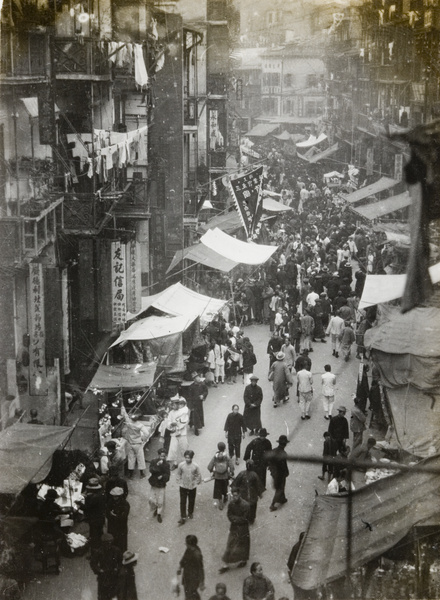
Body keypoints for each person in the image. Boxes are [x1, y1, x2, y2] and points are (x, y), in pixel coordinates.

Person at [219, 488, 250, 574]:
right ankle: (226, 564)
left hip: (243, 528)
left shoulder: (246, 505)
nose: (234, 497)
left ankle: (244, 560)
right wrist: (235, 519)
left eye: (236, 495)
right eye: (233, 495)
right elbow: (229, 514)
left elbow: (245, 518)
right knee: (230, 543)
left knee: (243, 544)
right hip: (234, 527)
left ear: (240, 495)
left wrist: (234, 519)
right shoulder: (231, 504)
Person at [90, 533, 122, 600]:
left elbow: (121, 562)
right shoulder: (99, 551)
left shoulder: (116, 550)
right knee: (102, 597)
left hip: (114, 576)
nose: (109, 545)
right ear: (103, 543)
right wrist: (99, 570)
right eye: (107, 543)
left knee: (114, 596)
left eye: (110, 542)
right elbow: (93, 563)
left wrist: (117, 569)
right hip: (103, 577)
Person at [233, 460, 264, 524]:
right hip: (252, 494)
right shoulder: (254, 475)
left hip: (243, 494)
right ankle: (251, 519)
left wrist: (234, 491)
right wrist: (260, 494)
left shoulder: (242, 473)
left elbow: (236, 484)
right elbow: (258, 485)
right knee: (253, 507)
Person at [176, 450, 202, 525]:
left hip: (192, 486)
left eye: (189, 458)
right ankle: (183, 516)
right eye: (186, 457)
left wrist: (197, 482)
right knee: (183, 501)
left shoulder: (195, 466)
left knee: (191, 500)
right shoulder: (181, 465)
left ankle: (190, 512)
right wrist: (179, 481)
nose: (187, 459)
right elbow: (178, 474)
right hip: (183, 486)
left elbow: (198, 475)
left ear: (192, 458)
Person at [208, 441, 235, 510]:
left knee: (218, 490)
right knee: (224, 487)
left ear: (218, 448)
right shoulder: (226, 456)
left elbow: (209, 466)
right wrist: (232, 472)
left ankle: (220, 503)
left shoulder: (215, 457)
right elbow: (231, 466)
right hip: (225, 476)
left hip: (217, 476)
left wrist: (212, 471)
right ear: (225, 448)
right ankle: (225, 497)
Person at [120, 410, 146, 479]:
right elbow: (146, 433)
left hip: (130, 443)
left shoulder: (129, 423)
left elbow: (125, 415)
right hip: (138, 443)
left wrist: (122, 405)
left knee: (131, 458)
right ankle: (141, 474)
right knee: (140, 458)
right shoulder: (140, 425)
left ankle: (130, 475)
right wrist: (143, 439)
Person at [177, 535, 205, 600]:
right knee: (188, 591)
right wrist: (180, 567)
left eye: (186, 543)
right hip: (187, 575)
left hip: (194, 578)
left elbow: (201, 569)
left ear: (190, 544)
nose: (185, 544)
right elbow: (184, 558)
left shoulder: (197, 555)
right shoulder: (189, 549)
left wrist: (201, 582)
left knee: (192, 592)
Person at [166, 395, 190, 469]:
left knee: (184, 448)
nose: (174, 406)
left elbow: (185, 421)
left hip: (182, 433)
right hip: (174, 433)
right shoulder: (171, 413)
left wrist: (178, 425)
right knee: (173, 449)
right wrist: (170, 424)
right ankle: (175, 463)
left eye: (175, 404)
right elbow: (168, 421)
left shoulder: (183, 411)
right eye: (172, 404)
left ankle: (186, 462)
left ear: (178, 404)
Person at [83, 478, 106, 553]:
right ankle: (101, 547)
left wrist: (80, 503)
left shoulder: (94, 498)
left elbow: (87, 508)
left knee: (94, 534)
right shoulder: (100, 495)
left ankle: (95, 552)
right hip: (100, 517)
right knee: (99, 533)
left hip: (94, 519)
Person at [267, 435, 289, 512]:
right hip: (280, 473)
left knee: (280, 486)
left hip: (274, 472)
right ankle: (272, 505)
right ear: (285, 444)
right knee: (280, 488)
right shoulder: (283, 453)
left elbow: (269, 460)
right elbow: (284, 465)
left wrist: (271, 469)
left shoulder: (274, 450)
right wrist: (286, 472)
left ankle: (282, 499)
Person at [148, 447, 170, 523]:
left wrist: (163, 476)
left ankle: (159, 514)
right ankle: (155, 508)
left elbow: (168, 475)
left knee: (160, 500)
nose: (162, 458)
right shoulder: (153, 461)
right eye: (161, 456)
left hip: (161, 484)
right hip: (154, 483)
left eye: (164, 456)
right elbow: (151, 470)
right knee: (152, 499)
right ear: (158, 455)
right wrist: (157, 465)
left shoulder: (166, 464)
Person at [106, 487, 130, 552]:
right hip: (112, 526)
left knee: (121, 543)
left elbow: (123, 517)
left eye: (116, 497)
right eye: (113, 496)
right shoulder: (111, 501)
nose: (114, 498)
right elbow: (107, 512)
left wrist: (113, 515)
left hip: (121, 527)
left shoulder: (125, 504)